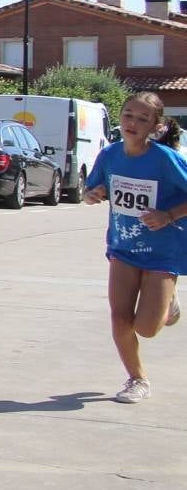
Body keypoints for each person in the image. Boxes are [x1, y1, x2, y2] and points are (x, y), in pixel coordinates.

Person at [84, 91, 187, 404]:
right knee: (119, 319)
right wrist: (95, 194)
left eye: (142, 118)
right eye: (128, 114)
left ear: (155, 127)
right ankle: (137, 379)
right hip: (123, 247)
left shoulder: (166, 160)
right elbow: (90, 192)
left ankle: (168, 304)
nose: (133, 122)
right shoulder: (109, 155)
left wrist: (168, 214)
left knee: (145, 328)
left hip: (162, 251)